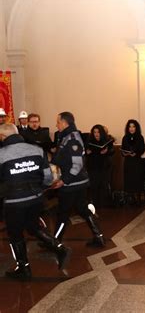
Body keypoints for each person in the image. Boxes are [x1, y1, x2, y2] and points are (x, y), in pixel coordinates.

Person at [0, 123, 71, 280]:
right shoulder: (36, 150)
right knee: (32, 226)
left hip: (14, 201)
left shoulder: (1, 154)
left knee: (15, 234)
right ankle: (60, 249)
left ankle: (23, 268)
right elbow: (47, 177)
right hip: (36, 198)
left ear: (3, 137)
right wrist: (41, 188)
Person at [51, 112, 105, 247]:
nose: (56, 124)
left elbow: (77, 164)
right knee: (82, 209)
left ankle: (54, 242)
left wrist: (64, 181)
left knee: (63, 212)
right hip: (77, 182)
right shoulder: (66, 136)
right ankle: (98, 236)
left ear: (64, 123)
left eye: (58, 122)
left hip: (72, 183)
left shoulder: (72, 138)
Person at [86, 124, 114, 209]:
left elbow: (112, 151)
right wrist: (87, 152)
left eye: (98, 132)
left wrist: (107, 151)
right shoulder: (89, 141)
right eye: (94, 132)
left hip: (104, 166)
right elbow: (85, 151)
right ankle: (95, 204)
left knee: (103, 185)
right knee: (94, 185)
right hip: (93, 167)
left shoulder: (107, 140)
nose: (96, 134)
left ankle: (104, 204)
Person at [121, 119, 145, 205]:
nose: (131, 128)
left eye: (133, 126)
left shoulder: (140, 137)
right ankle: (131, 198)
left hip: (137, 161)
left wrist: (136, 153)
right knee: (129, 180)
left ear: (136, 128)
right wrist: (124, 153)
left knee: (137, 180)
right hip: (128, 162)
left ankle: (138, 199)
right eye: (130, 126)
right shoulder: (125, 137)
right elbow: (122, 150)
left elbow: (142, 149)